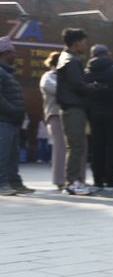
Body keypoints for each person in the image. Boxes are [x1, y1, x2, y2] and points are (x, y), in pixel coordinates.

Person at [55, 28, 95, 195]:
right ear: (76, 42)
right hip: (74, 108)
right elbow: (77, 85)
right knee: (76, 147)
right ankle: (72, 183)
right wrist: (94, 87)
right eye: (84, 42)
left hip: (71, 107)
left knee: (75, 146)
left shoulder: (65, 58)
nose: (86, 45)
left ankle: (75, 181)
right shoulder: (71, 61)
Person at [84, 43, 113, 190]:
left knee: (97, 147)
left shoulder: (86, 73)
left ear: (92, 56)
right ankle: (111, 178)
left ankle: (98, 179)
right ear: (108, 54)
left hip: (94, 115)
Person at [0, 36, 32, 196]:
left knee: (13, 154)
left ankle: (14, 182)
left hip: (11, 121)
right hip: (3, 120)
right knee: (3, 153)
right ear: (5, 53)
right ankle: (2, 184)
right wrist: (13, 109)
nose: (16, 55)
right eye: (13, 52)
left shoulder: (7, 73)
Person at [39, 52, 65, 192]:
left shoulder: (66, 77)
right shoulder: (48, 77)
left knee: (76, 147)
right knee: (60, 147)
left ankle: (76, 178)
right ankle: (60, 180)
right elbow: (57, 91)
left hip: (69, 114)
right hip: (55, 114)